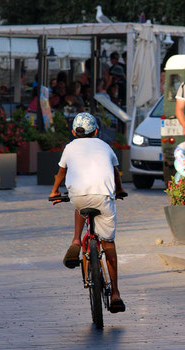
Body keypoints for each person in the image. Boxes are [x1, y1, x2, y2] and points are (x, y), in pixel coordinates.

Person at [49, 112, 127, 312]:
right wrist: (119, 191)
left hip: (79, 195)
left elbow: (61, 172)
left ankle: (76, 240)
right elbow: (116, 174)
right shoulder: (106, 146)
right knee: (108, 241)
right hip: (103, 196)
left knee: (79, 205)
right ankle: (116, 292)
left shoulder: (69, 147)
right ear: (96, 132)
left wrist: (54, 191)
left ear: (74, 131)